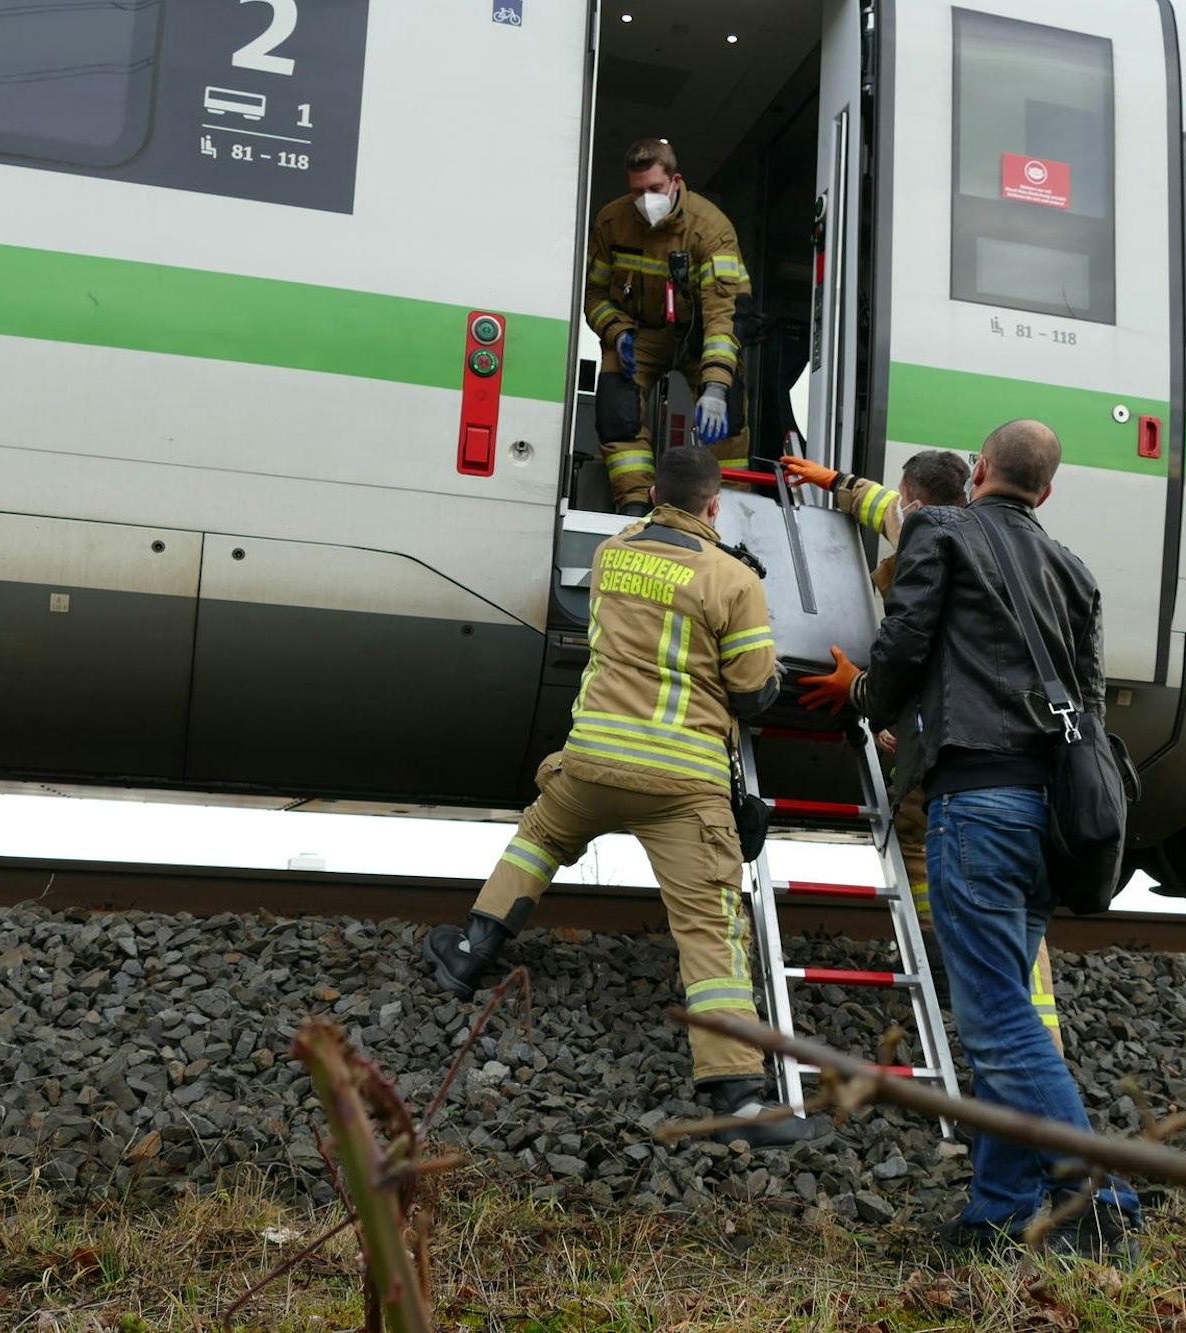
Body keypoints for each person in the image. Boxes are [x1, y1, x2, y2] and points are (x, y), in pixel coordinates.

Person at [792, 420, 1141, 1263]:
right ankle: (998, 1212)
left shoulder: (940, 529)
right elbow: (1090, 697)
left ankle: (1098, 1197)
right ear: (1046, 491)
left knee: (995, 1022)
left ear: (979, 469)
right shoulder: (1073, 568)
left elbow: (905, 643)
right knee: (1006, 1009)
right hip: (1051, 818)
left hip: (978, 805)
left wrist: (864, 694)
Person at [423, 446, 827, 1149]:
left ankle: (469, 950)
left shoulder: (612, 555)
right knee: (710, 925)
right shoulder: (732, 579)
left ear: (655, 494)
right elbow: (752, 691)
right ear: (714, 504)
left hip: (593, 762)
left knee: (540, 837)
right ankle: (736, 1097)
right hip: (681, 784)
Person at [780, 449, 1063, 1055]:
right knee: (1006, 907)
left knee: (944, 862)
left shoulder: (930, 539)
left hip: (956, 755)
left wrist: (866, 695)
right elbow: (888, 507)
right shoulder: (1026, 549)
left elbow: (917, 652)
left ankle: (988, 1011)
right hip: (1021, 761)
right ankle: (1027, 1032)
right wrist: (839, 483)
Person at [584, 138, 753, 516]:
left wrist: (715, 387)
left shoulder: (711, 228)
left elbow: (721, 317)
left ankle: (728, 513)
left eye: (655, 189)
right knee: (617, 410)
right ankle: (634, 505)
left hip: (702, 332)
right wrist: (616, 331)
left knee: (728, 418)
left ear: (675, 181)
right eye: (637, 191)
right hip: (639, 332)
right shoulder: (612, 222)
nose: (646, 200)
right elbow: (594, 293)